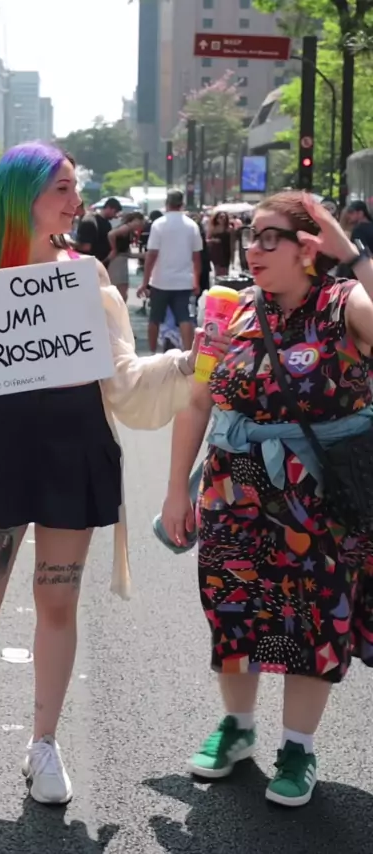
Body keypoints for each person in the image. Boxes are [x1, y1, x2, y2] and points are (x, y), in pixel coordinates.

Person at [0, 142, 198, 806]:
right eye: (62, 188)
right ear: (23, 194)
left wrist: (186, 363)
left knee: (58, 601)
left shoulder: (86, 273)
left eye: (74, 187)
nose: (76, 201)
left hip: (75, 451)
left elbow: (122, 377)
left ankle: (44, 744)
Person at [161, 190, 373, 808]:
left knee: (314, 618)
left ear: (308, 247)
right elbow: (198, 401)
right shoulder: (230, 309)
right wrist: (176, 491)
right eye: (252, 236)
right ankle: (238, 727)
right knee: (236, 612)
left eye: (270, 236)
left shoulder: (343, 303)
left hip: (321, 501)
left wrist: (350, 253)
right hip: (233, 493)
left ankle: (298, 746)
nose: (254, 248)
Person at [138, 190, 202, 353]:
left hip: (160, 281)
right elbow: (196, 257)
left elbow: (151, 255)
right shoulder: (192, 225)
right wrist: (196, 280)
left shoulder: (158, 224)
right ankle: (188, 354)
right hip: (183, 281)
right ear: (182, 204)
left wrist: (145, 282)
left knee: (155, 318)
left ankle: (153, 352)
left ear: (167, 204)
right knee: (184, 317)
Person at [107, 211, 144, 302]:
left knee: (122, 288)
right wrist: (114, 249)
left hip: (121, 260)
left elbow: (126, 253)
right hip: (117, 261)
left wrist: (141, 255)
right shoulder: (126, 228)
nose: (139, 224)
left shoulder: (129, 231)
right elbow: (111, 234)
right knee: (121, 288)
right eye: (138, 221)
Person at [76, 197, 123, 266]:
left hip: (95, 264)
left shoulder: (106, 224)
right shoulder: (90, 221)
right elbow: (86, 247)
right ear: (108, 208)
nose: (115, 216)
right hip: (93, 264)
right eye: (114, 212)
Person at [207, 211, 234, 278]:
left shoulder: (229, 228)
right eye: (221, 217)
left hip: (226, 251)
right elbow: (207, 240)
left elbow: (232, 242)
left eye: (224, 217)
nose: (223, 219)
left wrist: (233, 256)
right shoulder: (213, 228)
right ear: (217, 219)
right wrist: (214, 240)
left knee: (225, 271)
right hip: (216, 251)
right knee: (218, 271)